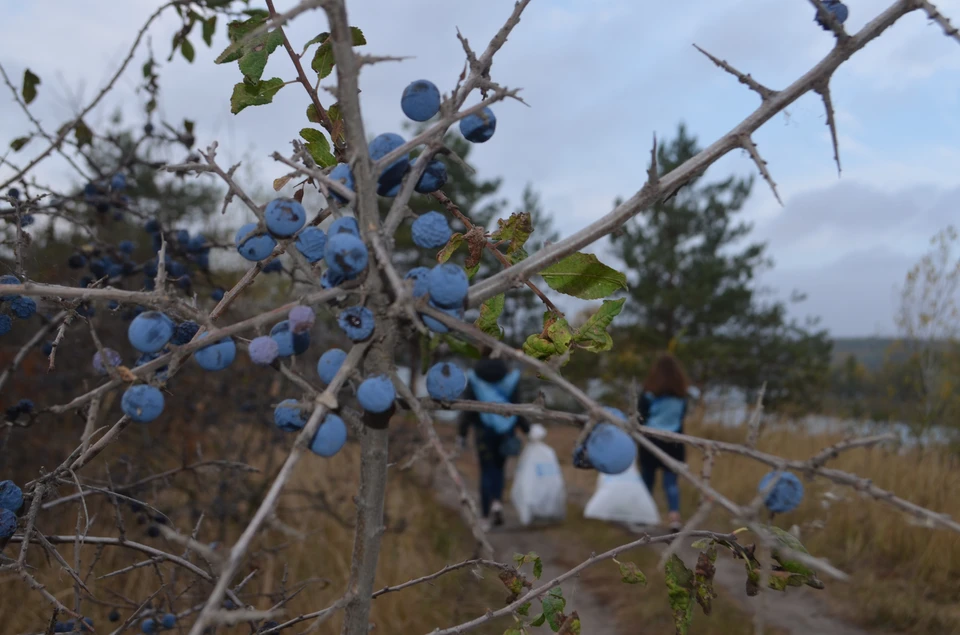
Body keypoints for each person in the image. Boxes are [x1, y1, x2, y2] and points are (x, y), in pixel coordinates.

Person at [456, 357, 529, 530]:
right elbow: (517, 406)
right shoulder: (510, 380)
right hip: (506, 431)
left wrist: (462, 433)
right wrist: (527, 429)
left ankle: (485, 516)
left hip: (483, 432)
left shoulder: (475, 378)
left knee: (486, 470)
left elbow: (468, 407)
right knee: (499, 469)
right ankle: (497, 502)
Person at [637, 352, 692, 532]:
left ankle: (644, 517)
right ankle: (674, 518)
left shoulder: (648, 394)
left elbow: (640, 417)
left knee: (647, 480)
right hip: (674, 442)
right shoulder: (682, 397)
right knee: (671, 483)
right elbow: (682, 417)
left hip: (651, 440)